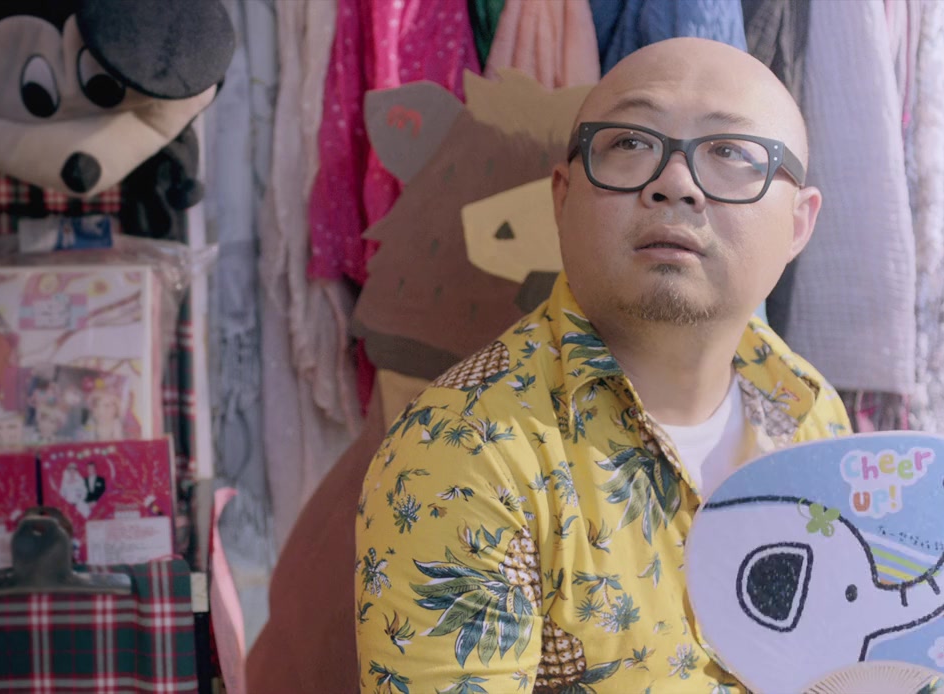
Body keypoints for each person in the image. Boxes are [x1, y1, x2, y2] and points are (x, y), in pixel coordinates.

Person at [355, 38, 851, 692]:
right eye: (631, 143)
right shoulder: (463, 452)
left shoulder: (810, 410)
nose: (675, 183)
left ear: (798, 223)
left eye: (730, 152)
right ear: (562, 199)